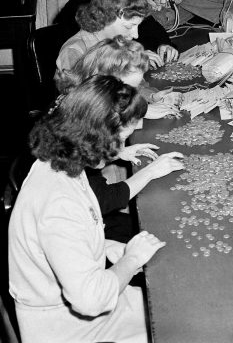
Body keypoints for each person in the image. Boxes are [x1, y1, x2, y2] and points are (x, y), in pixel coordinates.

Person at [8, 75, 167, 342]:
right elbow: (90, 301)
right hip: (64, 327)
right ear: (96, 138)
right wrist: (131, 260)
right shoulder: (59, 203)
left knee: (167, 302)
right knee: (175, 327)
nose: (121, 149)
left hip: (75, 300)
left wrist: (107, 248)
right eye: (122, 139)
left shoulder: (60, 161)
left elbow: (64, 241)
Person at [55, 37, 183, 243]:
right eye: (128, 89)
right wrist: (151, 172)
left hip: (81, 216)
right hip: (75, 231)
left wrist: (118, 152)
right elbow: (103, 200)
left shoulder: (80, 108)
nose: (132, 95)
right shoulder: (81, 131)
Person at [56, 0, 152, 76]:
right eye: (129, 26)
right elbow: (83, 91)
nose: (136, 35)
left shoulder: (116, 44)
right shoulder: (74, 52)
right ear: (106, 17)